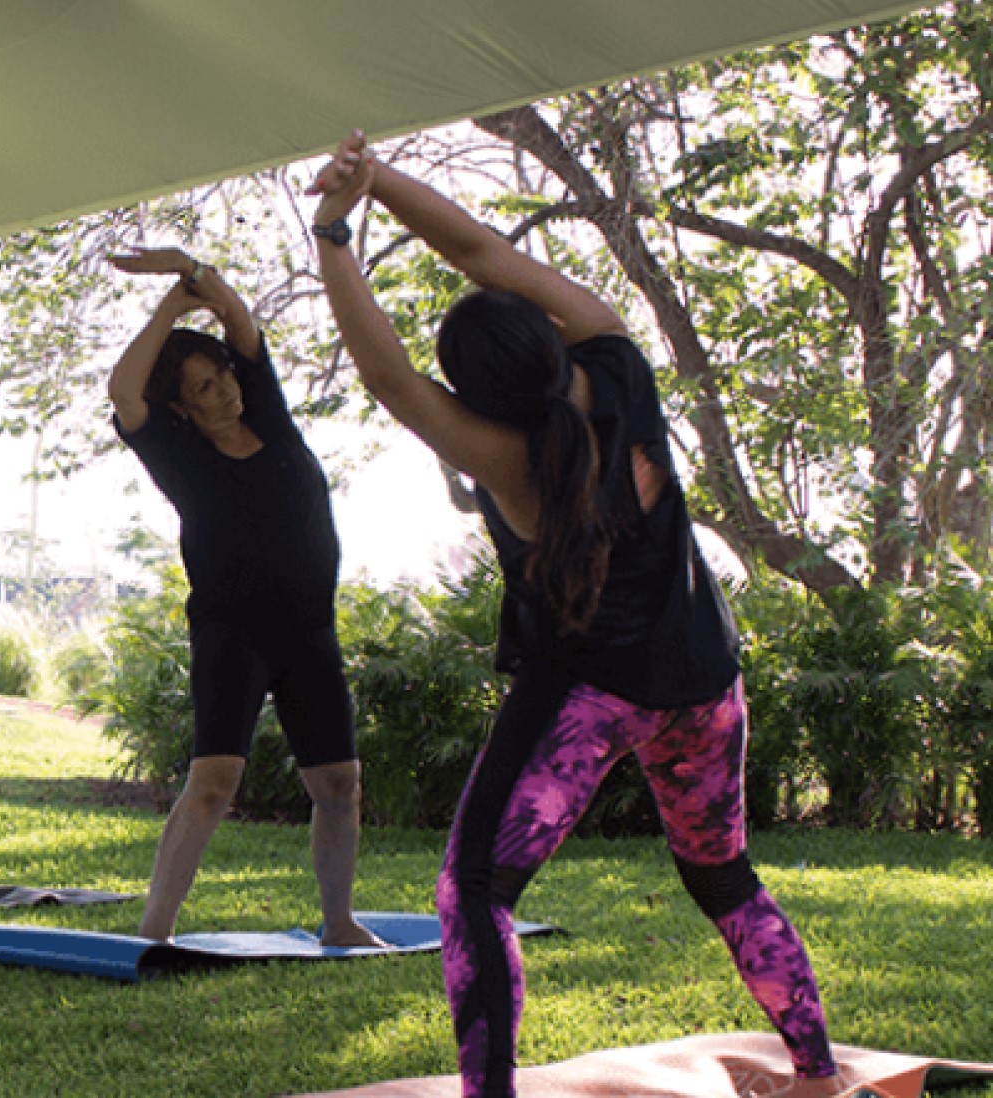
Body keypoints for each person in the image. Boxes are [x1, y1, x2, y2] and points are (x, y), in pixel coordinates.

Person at [308, 131, 840, 1097]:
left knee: (473, 893)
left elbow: (389, 380)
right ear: (547, 337)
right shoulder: (618, 357)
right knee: (723, 877)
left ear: (480, 394)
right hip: (705, 683)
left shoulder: (503, 458)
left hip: (589, 698)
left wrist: (335, 234)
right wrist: (378, 180)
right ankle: (815, 1065)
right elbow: (480, 252)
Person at [103, 248, 382, 948]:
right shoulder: (179, 455)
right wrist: (169, 307)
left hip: (309, 633)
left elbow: (237, 318)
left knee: (340, 784)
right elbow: (124, 390)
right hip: (234, 632)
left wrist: (186, 267)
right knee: (214, 781)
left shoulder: (272, 415)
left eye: (221, 374)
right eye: (202, 388)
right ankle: (155, 933)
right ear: (183, 409)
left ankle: (340, 922)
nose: (223, 390)